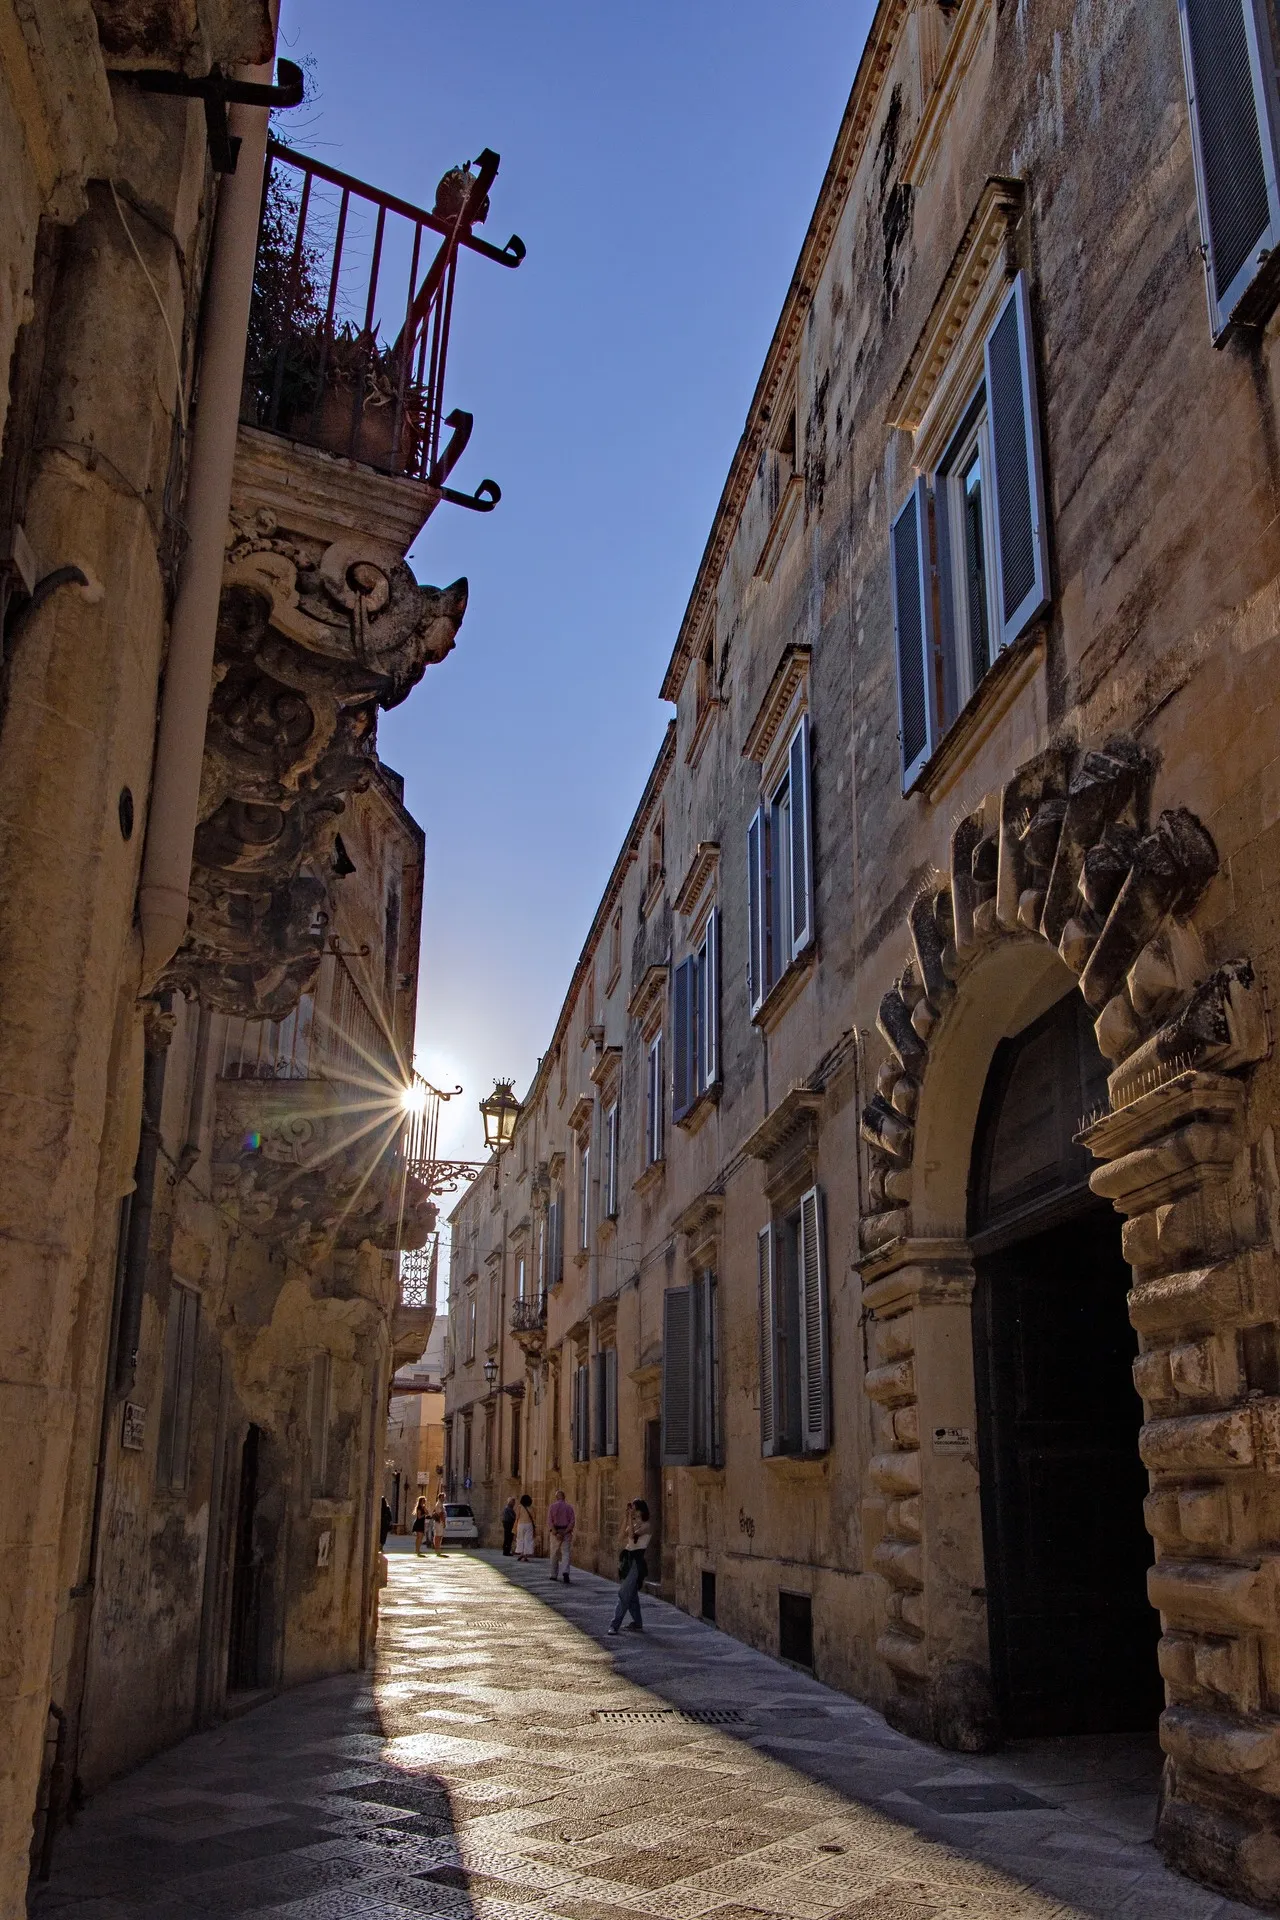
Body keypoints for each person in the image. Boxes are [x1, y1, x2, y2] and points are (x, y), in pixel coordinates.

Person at [608, 1499, 652, 1634]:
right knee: (631, 1594)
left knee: (624, 1592)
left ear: (639, 1510)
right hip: (628, 1560)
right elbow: (621, 1536)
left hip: (637, 1561)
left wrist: (631, 1521)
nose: (632, 1510)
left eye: (633, 1508)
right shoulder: (632, 1523)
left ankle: (614, 1625)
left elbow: (632, 1537)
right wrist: (626, 1518)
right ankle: (637, 1623)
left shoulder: (646, 1525)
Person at [547, 1488, 575, 1584]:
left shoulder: (552, 1507)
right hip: (566, 1532)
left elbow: (550, 1521)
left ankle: (553, 1574)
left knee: (554, 1553)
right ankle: (565, 1572)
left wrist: (555, 1532)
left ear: (556, 1497)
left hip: (555, 1532)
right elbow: (572, 1521)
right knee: (566, 1553)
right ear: (564, 1497)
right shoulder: (569, 1507)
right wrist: (565, 1532)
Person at [514, 1492, 536, 1561]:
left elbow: (517, 1517)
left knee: (520, 1539)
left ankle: (521, 1553)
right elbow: (534, 1516)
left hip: (520, 1524)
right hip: (529, 1525)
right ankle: (526, 1555)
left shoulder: (519, 1507)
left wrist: (515, 1526)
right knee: (528, 1540)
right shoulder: (531, 1508)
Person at [431, 1490, 448, 1556]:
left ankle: (437, 1549)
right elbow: (441, 1514)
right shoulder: (439, 1504)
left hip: (439, 1522)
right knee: (438, 1536)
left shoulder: (440, 1504)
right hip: (439, 1522)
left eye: (444, 1497)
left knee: (438, 1536)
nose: (443, 1498)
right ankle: (437, 1549)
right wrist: (443, 1523)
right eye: (442, 1497)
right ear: (439, 1497)